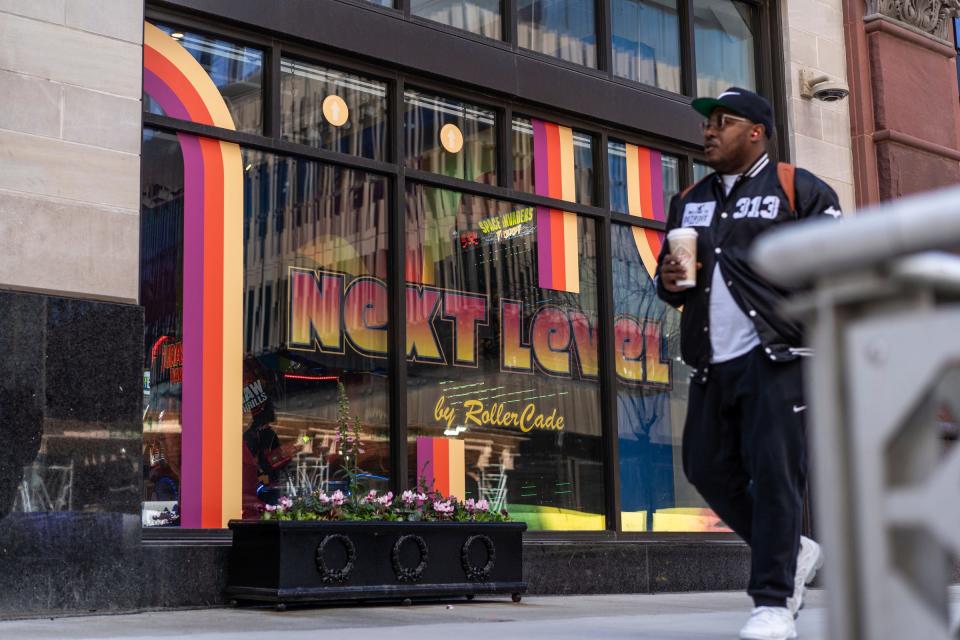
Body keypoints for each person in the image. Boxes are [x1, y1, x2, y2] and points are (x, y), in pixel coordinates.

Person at [656, 87, 840, 640]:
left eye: (723, 122)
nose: (709, 131)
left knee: (777, 475)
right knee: (705, 467)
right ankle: (794, 549)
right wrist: (667, 281)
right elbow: (673, 285)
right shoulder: (689, 199)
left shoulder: (798, 189)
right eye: (708, 123)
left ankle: (773, 603)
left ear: (756, 132)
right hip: (714, 358)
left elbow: (832, 268)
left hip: (782, 355)